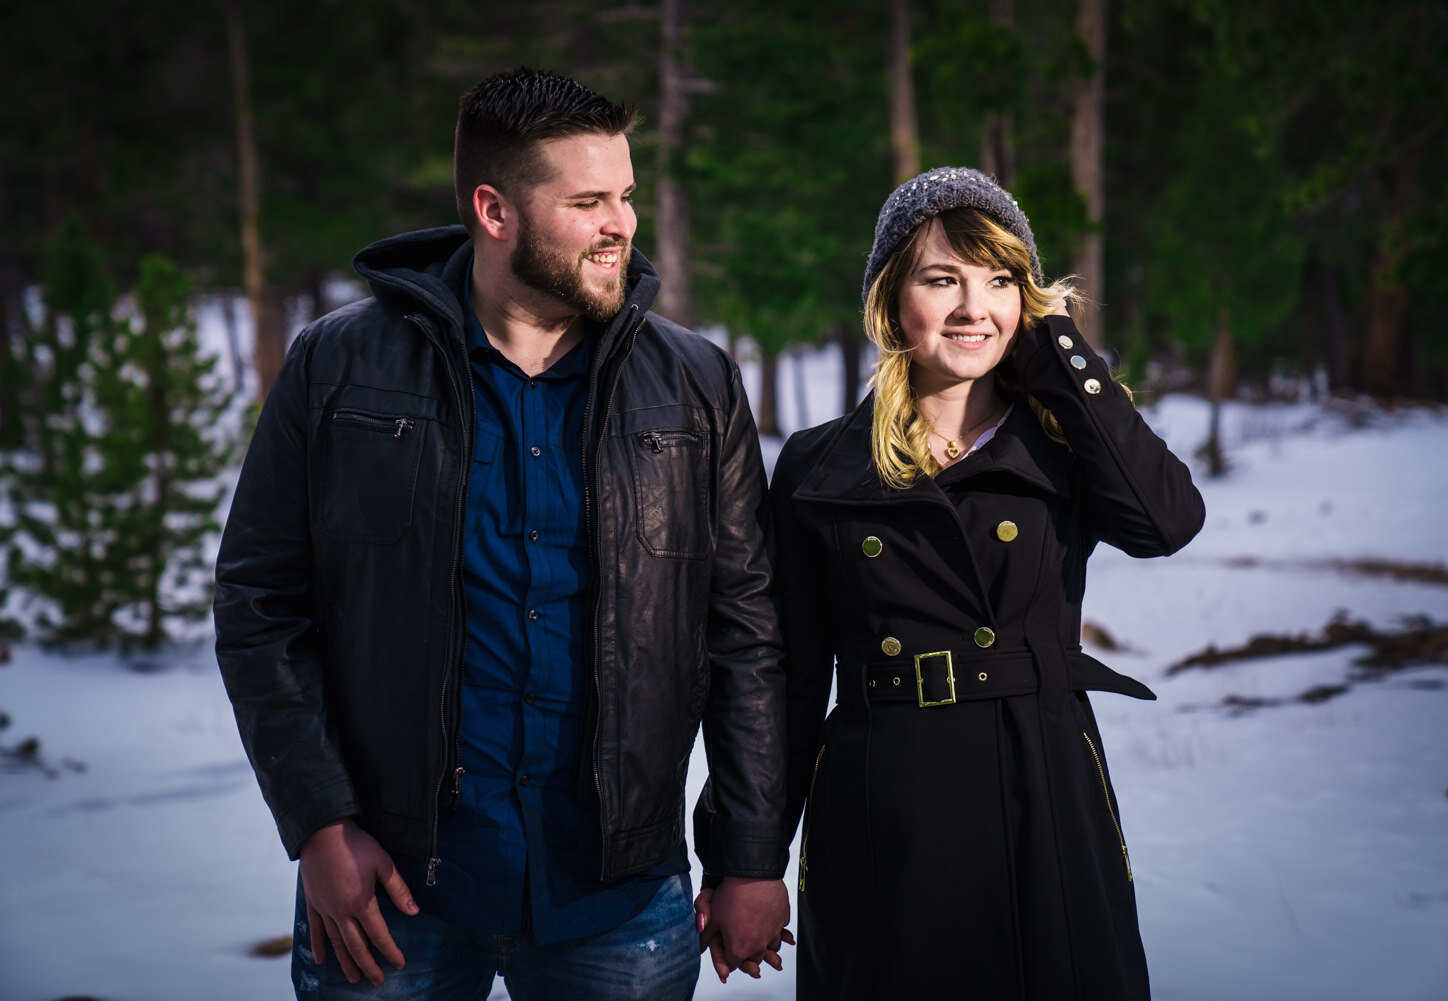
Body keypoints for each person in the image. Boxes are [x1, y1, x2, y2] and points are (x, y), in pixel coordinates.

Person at [214, 68, 790, 1001]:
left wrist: (752, 854)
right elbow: (259, 605)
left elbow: (746, 635)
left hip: (621, 895)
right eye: (589, 201)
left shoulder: (695, 384)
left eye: (628, 196)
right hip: (391, 895)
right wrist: (319, 823)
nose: (623, 225)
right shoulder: (338, 367)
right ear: (495, 209)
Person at [770, 167, 1206, 999]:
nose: (976, 308)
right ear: (892, 300)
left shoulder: (1063, 443)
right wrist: (747, 858)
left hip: (1045, 787)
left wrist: (1062, 357)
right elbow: (782, 681)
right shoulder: (819, 464)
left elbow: (1167, 522)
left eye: (1001, 281)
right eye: (943, 280)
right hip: (885, 807)